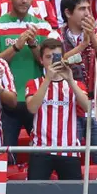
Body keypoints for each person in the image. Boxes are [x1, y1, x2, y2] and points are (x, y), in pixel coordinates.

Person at [0, 0, 53, 149]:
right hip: (6, 101)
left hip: (35, 100)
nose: (24, 0)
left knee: (40, 154)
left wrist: (33, 44)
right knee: (5, 155)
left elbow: (48, 63)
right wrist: (17, 46)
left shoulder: (43, 25)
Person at [54, 0, 97, 165]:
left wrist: (92, 37)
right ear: (68, 13)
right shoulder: (56, 35)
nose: (87, 13)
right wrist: (82, 46)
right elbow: (57, 64)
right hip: (67, 106)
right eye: (81, 9)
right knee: (70, 160)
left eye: (88, 8)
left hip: (94, 106)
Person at [25, 39, 91, 180]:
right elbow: (32, 108)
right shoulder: (34, 83)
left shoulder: (76, 84)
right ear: (41, 60)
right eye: (48, 57)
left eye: (56, 57)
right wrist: (47, 79)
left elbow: (88, 108)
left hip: (69, 150)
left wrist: (71, 80)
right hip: (41, 150)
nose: (52, 61)